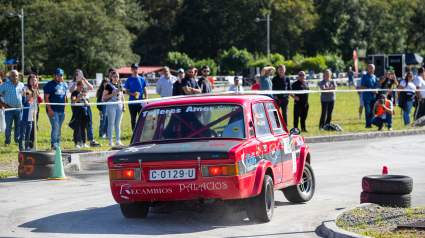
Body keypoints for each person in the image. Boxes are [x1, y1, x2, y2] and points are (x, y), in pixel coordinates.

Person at [69, 69, 101, 147]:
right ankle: (78, 142)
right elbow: (71, 92)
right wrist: (76, 82)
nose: (78, 75)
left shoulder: (84, 82)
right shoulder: (73, 83)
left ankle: (89, 141)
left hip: (85, 105)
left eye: (80, 74)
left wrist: (85, 81)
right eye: (76, 74)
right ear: (74, 75)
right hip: (77, 107)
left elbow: (91, 88)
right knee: (78, 125)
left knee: (88, 123)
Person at [44, 69, 67, 149]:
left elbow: (64, 97)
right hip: (53, 110)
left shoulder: (64, 85)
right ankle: (54, 144)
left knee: (59, 127)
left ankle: (58, 143)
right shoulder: (49, 84)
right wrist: (49, 109)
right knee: (56, 126)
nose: (60, 77)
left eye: (61, 76)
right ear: (54, 76)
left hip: (61, 110)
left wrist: (64, 110)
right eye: (58, 75)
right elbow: (46, 97)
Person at [0, 70, 25, 146]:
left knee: (18, 126)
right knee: (8, 126)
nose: (15, 77)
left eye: (16, 75)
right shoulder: (5, 85)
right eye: (13, 75)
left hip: (18, 108)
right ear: (10, 76)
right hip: (9, 109)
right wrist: (3, 104)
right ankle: (7, 141)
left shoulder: (21, 85)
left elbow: (24, 95)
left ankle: (17, 140)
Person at [104, 71, 126, 146]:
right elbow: (104, 97)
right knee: (111, 123)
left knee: (118, 124)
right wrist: (114, 94)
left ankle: (118, 140)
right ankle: (110, 140)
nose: (116, 78)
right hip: (111, 104)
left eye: (117, 77)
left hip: (119, 104)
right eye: (114, 77)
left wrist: (124, 106)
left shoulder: (119, 84)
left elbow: (122, 95)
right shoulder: (108, 85)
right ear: (111, 77)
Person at [124, 63, 148, 131]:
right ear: (131, 70)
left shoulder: (142, 79)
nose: (135, 70)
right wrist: (133, 94)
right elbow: (126, 91)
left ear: (138, 69)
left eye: (136, 69)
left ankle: (142, 132)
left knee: (142, 118)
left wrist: (146, 98)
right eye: (134, 69)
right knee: (133, 118)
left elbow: (144, 89)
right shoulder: (128, 80)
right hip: (132, 103)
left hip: (141, 102)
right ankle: (134, 133)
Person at [24, 74, 43, 150]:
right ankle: (27, 145)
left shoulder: (36, 90)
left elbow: (39, 101)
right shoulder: (26, 88)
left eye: (35, 80)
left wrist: (36, 91)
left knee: (34, 128)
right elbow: (26, 99)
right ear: (29, 81)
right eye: (32, 80)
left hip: (35, 111)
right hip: (27, 112)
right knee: (28, 128)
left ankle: (32, 145)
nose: (34, 81)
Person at [70, 80, 90, 148]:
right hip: (77, 112)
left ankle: (84, 143)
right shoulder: (74, 93)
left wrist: (86, 101)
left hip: (83, 111)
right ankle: (76, 143)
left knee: (83, 128)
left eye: (83, 87)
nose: (81, 89)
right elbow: (73, 101)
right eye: (80, 87)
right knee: (77, 128)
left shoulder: (83, 93)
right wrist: (80, 95)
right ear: (77, 86)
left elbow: (85, 100)